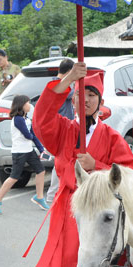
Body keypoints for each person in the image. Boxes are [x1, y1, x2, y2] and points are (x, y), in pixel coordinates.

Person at [24, 63, 133, 267]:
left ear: (101, 101)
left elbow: (129, 176)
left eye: (91, 95)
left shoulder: (113, 138)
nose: (85, 99)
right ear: (72, 99)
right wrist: (68, 80)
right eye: (79, 94)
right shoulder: (62, 130)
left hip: (100, 217)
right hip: (69, 213)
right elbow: (41, 120)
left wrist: (97, 166)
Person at [0, 95, 48, 214]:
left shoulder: (26, 119)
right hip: (19, 153)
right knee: (14, 177)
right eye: (28, 103)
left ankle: (39, 197)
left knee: (41, 171)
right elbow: (27, 135)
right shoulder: (18, 119)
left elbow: (33, 135)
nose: (30, 105)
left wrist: (42, 150)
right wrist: (33, 137)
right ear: (21, 105)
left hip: (28, 151)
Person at [45, 58, 75, 203]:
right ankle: (52, 195)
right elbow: (73, 94)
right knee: (62, 160)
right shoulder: (61, 86)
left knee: (62, 160)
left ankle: (54, 194)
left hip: (59, 130)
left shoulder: (53, 83)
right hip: (61, 130)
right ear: (69, 72)